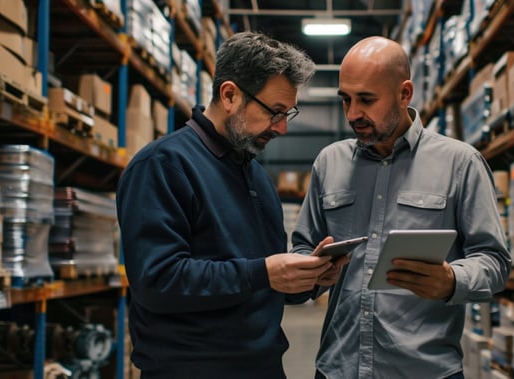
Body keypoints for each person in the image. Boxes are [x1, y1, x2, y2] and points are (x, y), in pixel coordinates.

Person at [117, 32, 346, 378]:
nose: (282, 128)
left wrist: (311, 280)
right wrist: (264, 272)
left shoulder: (256, 177)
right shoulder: (164, 167)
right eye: (275, 112)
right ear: (229, 95)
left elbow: (258, 285)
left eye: (289, 113)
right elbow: (157, 281)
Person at [291, 36, 512, 379]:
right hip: (339, 368)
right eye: (345, 100)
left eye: (366, 100)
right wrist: (312, 270)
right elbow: (304, 246)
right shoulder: (328, 164)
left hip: (424, 370)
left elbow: (495, 261)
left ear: (404, 93)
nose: (353, 114)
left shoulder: (460, 163)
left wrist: (453, 280)